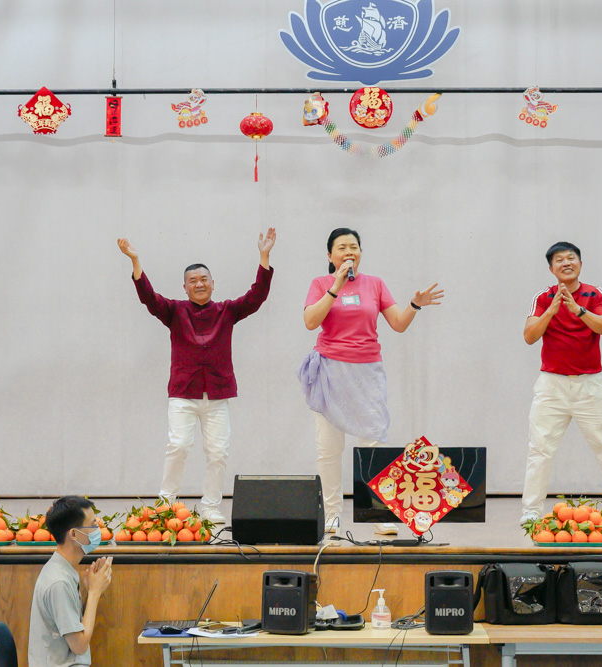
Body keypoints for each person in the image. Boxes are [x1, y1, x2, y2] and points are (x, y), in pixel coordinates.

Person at [118, 229, 276, 524]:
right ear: (185, 287)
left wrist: (264, 256)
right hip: (183, 394)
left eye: (204, 279)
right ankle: (166, 504)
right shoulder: (174, 311)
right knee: (178, 446)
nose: (199, 284)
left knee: (218, 453)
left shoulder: (227, 310)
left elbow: (256, 297)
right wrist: (135, 261)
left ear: (213, 283)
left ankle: (211, 507)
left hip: (217, 395)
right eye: (193, 281)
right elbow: (149, 298)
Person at [299, 228, 444, 534]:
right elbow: (311, 321)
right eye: (341, 247)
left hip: (367, 372)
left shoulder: (375, 284)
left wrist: (414, 304)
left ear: (361, 253)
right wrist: (336, 286)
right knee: (329, 448)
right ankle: (332, 514)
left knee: (374, 443)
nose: (348, 252)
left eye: (354, 247)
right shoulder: (321, 283)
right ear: (330, 255)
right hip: (330, 372)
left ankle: (377, 513)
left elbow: (398, 324)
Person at [520, 242, 602, 528]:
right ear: (551, 268)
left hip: (589, 385)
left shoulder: (594, 294)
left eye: (571, 258)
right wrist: (551, 311)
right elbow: (529, 336)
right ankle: (531, 512)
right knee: (540, 451)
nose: (566, 263)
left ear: (580, 264)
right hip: (551, 386)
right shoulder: (543, 297)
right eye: (559, 260)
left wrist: (578, 310)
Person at [28, 495, 113, 667]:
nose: (98, 531)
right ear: (74, 534)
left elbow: (75, 627)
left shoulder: (64, 570)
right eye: (93, 526)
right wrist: (94, 593)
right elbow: (79, 646)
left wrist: (90, 589)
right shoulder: (58, 582)